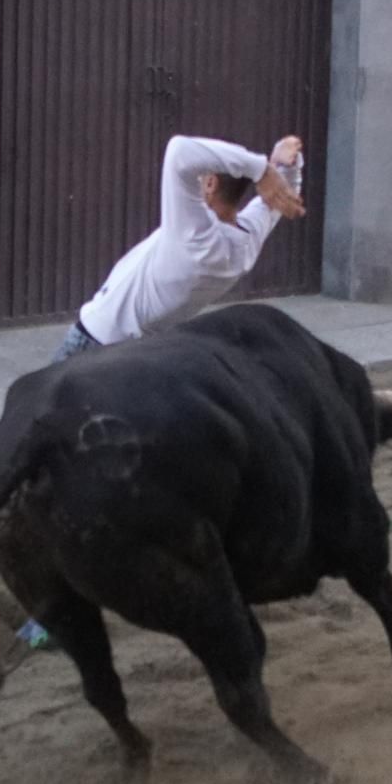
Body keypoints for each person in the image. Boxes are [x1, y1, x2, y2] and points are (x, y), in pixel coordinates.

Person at [18, 133, 306, 649]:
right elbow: (273, 205)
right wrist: (288, 167)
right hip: (133, 366)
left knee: (36, 477)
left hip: (88, 352)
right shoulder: (242, 243)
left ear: (211, 182)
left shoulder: (190, 231)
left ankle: (51, 613)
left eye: (207, 177)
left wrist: (263, 165)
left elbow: (178, 150)